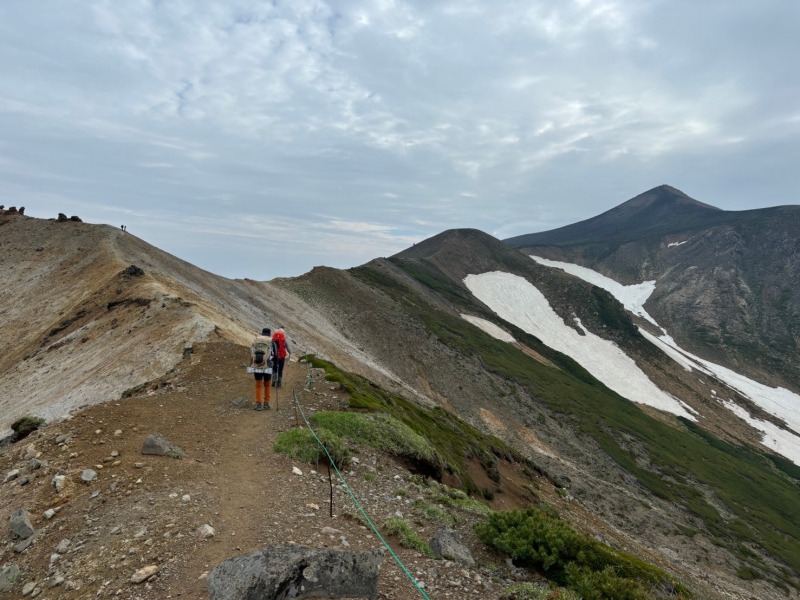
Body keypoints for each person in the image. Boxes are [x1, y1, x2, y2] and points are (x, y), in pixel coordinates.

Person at [249, 327, 273, 410]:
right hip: (268, 366)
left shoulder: (256, 340)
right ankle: (266, 404)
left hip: (257, 365)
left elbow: (251, 352)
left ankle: (258, 404)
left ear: (262, 333)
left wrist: (252, 364)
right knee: (267, 384)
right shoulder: (271, 341)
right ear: (269, 333)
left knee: (258, 385)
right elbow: (275, 354)